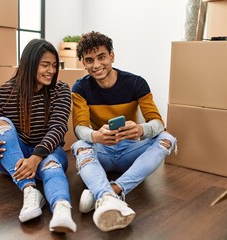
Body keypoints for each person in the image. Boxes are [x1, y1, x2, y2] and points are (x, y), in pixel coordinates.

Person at [71, 31, 177, 232]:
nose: (96, 65)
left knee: (166, 138)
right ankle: (108, 196)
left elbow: (157, 123)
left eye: (101, 57)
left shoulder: (136, 83)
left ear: (112, 56)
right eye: (89, 60)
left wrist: (139, 129)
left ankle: (109, 192)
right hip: (101, 149)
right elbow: (80, 128)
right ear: (83, 63)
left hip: (130, 150)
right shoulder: (80, 88)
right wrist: (95, 136)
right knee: (80, 145)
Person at [0, 39, 76, 233]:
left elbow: (58, 127)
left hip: (47, 153)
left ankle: (62, 209)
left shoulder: (61, 90)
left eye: (55, 66)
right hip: (13, 157)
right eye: (45, 65)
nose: (51, 71)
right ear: (29, 64)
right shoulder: (3, 92)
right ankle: (30, 190)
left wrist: (36, 157)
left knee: (51, 165)